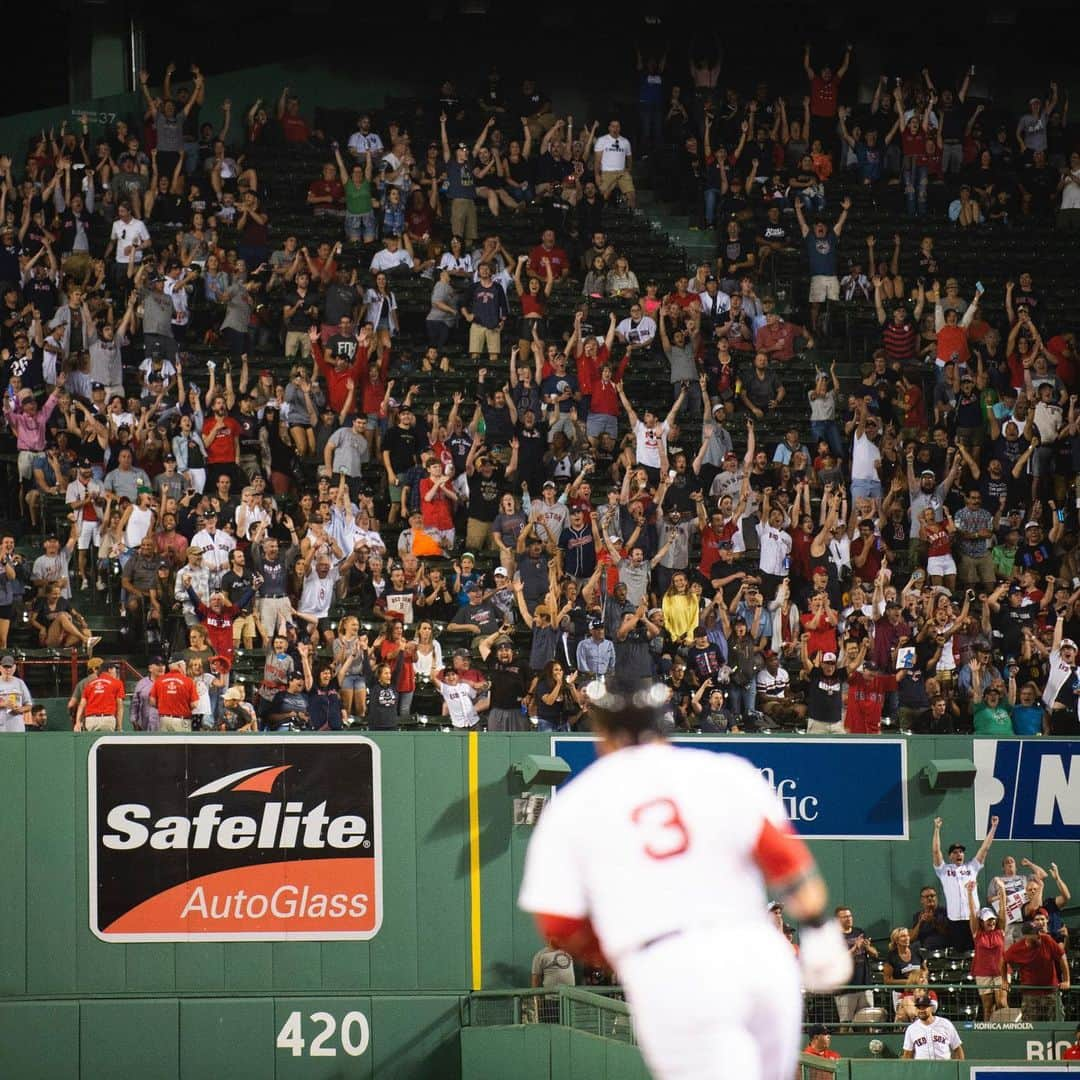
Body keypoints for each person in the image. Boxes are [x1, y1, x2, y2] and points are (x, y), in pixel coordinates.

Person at [518, 680, 853, 1080]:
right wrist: (819, 931)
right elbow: (787, 864)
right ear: (665, 726)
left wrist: (627, 959)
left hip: (674, 969)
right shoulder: (722, 772)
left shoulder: (574, 805)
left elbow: (559, 923)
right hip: (759, 955)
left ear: (601, 734)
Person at [932, 814, 998, 951]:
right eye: (955, 852)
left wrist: (993, 827)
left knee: (977, 951)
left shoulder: (972, 868)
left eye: (961, 852)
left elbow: (984, 849)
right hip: (955, 920)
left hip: (973, 918)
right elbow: (935, 851)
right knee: (959, 953)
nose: (959, 854)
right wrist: (937, 829)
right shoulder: (944, 870)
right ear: (950, 856)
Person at [1002, 920, 1069, 1021]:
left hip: (1051, 991)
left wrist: (1066, 980)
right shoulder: (1017, 948)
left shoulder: (1047, 939)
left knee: (1057, 1025)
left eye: (1038, 931)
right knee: (1030, 1028)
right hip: (1030, 994)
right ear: (1026, 936)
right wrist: (1004, 980)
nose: (1038, 934)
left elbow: (1062, 957)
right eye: (1035, 933)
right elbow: (1003, 961)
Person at [968, 879, 1008, 1020]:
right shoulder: (977, 934)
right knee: (987, 1007)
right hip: (982, 972)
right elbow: (972, 913)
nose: (991, 922)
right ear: (982, 922)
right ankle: (988, 1033)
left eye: (992, 919)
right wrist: (969, 893)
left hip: (1000, 971)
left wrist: (1002, 891)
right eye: (988, 920)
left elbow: (1003, 909)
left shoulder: (1000, 930)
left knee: (1001, 1003)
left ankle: (1007, 1031)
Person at [834, 905, 878, 1027]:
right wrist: (855, 948)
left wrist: (867, 947)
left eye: (850, 916)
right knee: (846, 1024)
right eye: (845, 917)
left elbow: (875, 954)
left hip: (864, 984)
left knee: (868, 1022)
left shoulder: (859, 932)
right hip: (846, 988)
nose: (849, 919)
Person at [531, 938, 576, 1023]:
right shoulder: (540, 955)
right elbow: (535, 980)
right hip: (551, 1001)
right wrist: (537, 1001)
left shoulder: (569, 951)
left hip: (569, 998)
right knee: (552, 1027)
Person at [74, 658, 125, 731]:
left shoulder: (90, 684)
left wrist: (77, 723)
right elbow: (120, 706)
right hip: (107, 720)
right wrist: (119, 727)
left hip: (90, 720)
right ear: (110, 670)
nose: (116, 673)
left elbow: (81, 705)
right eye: (115, 670)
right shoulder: (117, 683)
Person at [0, 655, 33, 733]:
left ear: (14, 668)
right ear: (0, 668)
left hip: (17, 727)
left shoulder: (20, 683)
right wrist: (4, 704)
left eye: (10, 667)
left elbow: (29, 705)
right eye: (5, 667)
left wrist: (20, 709)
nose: (7, 670)